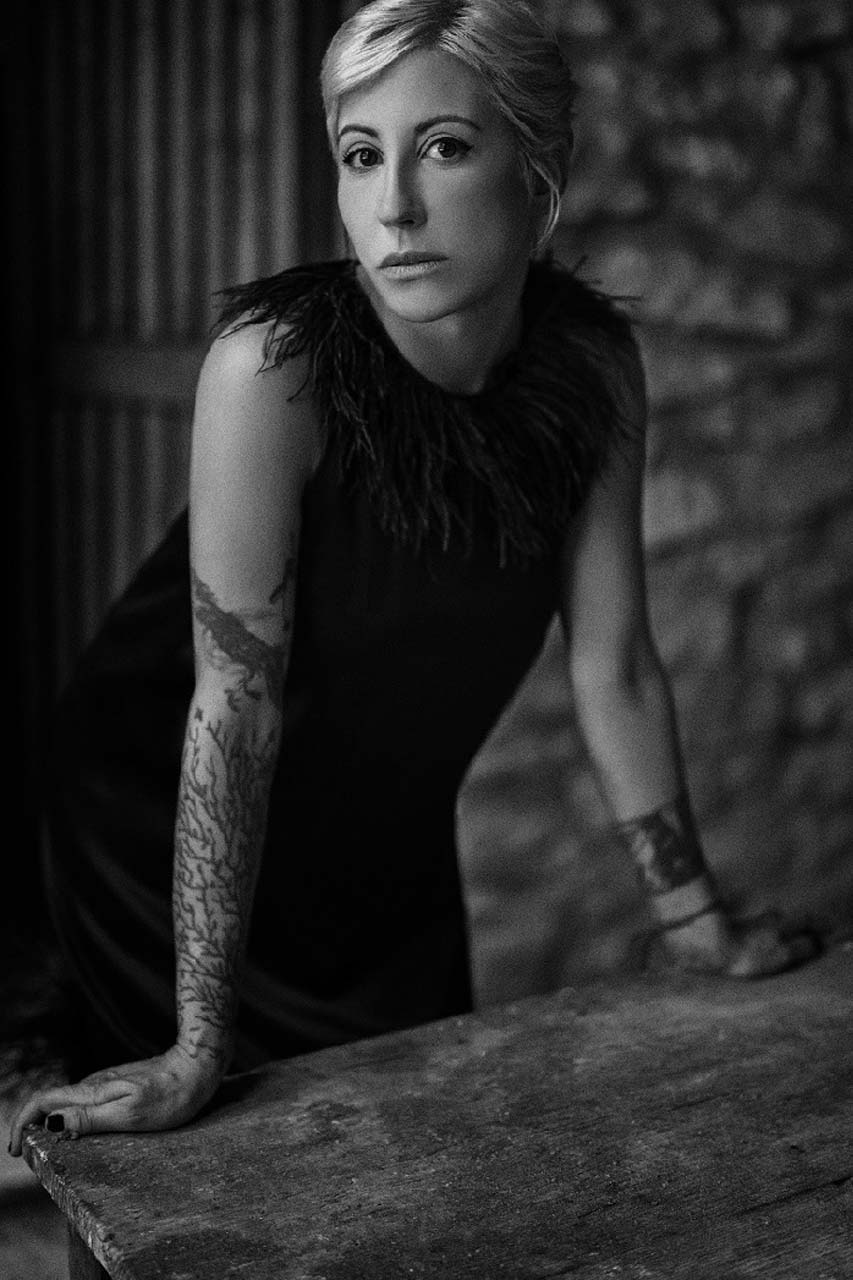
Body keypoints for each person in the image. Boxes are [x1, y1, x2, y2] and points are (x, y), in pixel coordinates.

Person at [8, 0, 815, 1158]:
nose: (392, 206)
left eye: (442, 147)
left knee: (420, 1162)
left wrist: (692, 917)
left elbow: (616, 662)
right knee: (209, 1173)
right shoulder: (272, 369)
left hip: (385, 860)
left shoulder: (593, 367)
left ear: (538, 172)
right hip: (159, 848)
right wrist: (194, 1042)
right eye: (359, 155)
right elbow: (235, 700)